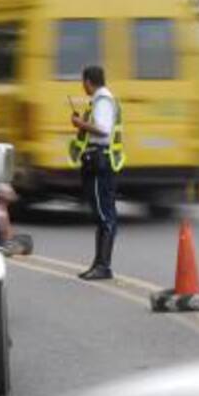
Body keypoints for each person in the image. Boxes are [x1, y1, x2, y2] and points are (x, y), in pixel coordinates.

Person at [70, 65, 120, 280]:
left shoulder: (102, 101)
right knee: (102, 214)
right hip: (98, 160)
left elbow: (103, 129)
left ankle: (103, 266)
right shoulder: (100, 100)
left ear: (88, 81)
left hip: (100, 161)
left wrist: (80, 123)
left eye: (83, 82)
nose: (83, 86)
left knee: (104, 214)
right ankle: (99, 264)